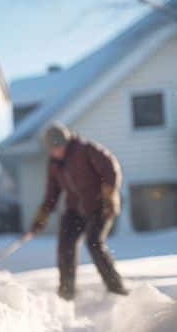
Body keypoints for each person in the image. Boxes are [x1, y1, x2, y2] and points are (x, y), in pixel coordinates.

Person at [30, 122, 128, 300]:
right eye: (52, 148)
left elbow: (110, 168)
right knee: (65, 245)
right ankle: (66, 293)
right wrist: (41, 217)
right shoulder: (54, 164)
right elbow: (52, 193)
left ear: (65, 142)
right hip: (75, 209)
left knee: (94, 242)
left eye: (58, 146)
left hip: (100, 205)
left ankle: (116, 290)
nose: (55, 151)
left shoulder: (85, 150)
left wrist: (109, 195)